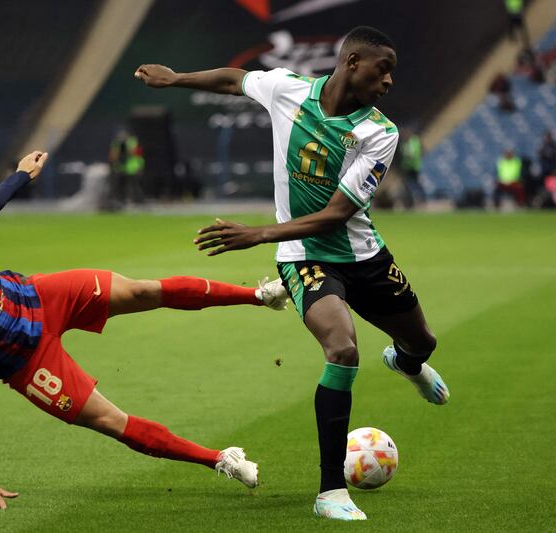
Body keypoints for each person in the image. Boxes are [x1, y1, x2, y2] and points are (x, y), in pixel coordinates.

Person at [135, 26, 449, 521]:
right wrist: (176, 80)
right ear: (351, 62)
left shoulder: (379, 134)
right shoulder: (290, 89)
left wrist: (259, 233)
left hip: (364, 255)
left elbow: (337, 214)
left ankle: (407, 365)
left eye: (392, 72)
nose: (388, 80)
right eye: (381, 68)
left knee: (423, 342)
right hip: (303, 256)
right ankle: (329, 492)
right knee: (342, 349)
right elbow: (234, 80)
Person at [0, 150, 291, 509]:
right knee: (111, 421)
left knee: (143, 289)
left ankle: (259, 296)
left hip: (41, 296)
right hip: (27, 363)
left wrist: (21, 174)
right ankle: (221, 460)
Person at [399, 129, 425, 208]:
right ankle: (410, 201)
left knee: (415, 184)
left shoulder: (413, 141)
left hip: (414, 166)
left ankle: (422, 199)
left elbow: (412, 154)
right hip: (407, 167)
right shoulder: (404, 143)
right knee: (408, 185)